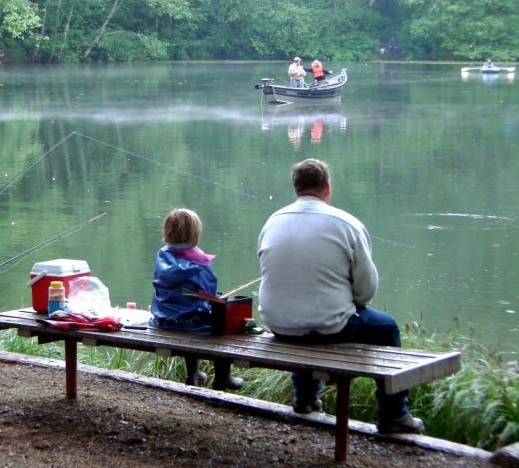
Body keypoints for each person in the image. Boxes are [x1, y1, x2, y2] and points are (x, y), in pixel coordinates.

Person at [256, 159, 424, 434]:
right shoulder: (347, 223)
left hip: (278, 324)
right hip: (327, 327)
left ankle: (306, 399)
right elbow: (366, 291)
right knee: (387, 327)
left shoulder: (272, 221)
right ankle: (394, 414)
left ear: (296, 188)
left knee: (306, 317)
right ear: (328, 187)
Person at [150, 208, 244, 390]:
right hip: (191, 322)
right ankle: (223, 377)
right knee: (221, 320)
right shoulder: (199, 260)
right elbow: (210, 290)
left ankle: (192, 372)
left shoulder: (162, 254)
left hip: (163, 319)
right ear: (195, 234)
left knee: (188, 310)